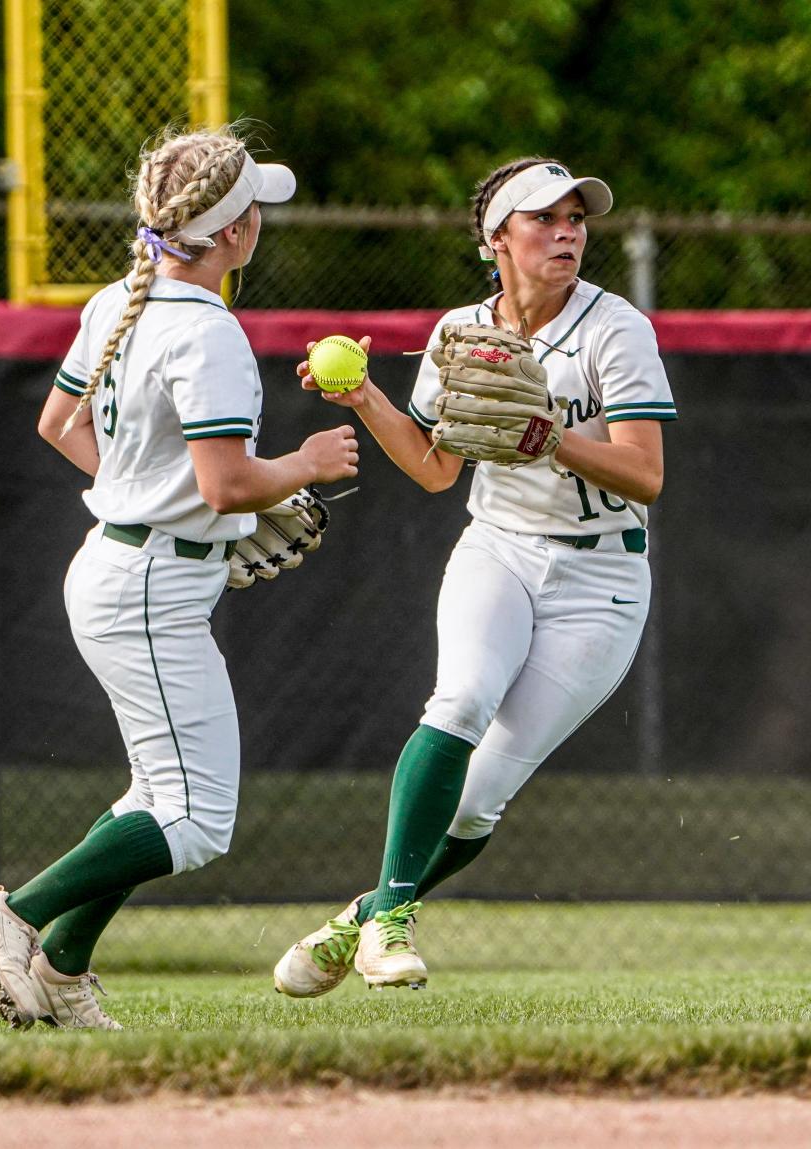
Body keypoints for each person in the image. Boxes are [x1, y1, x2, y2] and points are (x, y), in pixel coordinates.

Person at [0, 125, 359, 1029]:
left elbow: (60, 425)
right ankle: (11, 915)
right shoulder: (208, 334)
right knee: (199, 819)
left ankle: (60, 966)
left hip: (123, 567)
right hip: (149, 588)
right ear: (233, 234)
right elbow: (226, 484)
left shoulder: (117, 302)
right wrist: (308, 460)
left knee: (153, 794)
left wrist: (141, 492)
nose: (261, 219)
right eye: (255, 207)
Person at [273, 157, 677, 996]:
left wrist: (550, 437)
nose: (567, 231)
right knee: (457, 702)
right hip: (499, 547)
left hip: (601, 579)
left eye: (576, 217)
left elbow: (645, 475)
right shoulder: (461, 332)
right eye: (544, 219)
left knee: (478, 801)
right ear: (497, 239)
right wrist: (363, 400)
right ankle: (391, 922)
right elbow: (433, 470)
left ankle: (364, 916)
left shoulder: (616, 328)